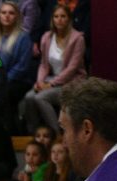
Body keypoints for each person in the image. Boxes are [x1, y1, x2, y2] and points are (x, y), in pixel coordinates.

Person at [23, 4, 86, 134]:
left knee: (41, 98)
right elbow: (44, 64)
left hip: (72, 82)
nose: (59, 20)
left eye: (63, 16)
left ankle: (57, 133)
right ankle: (34, 134)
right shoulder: (46, 37)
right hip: (51, 79)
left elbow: (72, 68)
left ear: (69, 19)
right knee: (29, 97)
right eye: (56, 16)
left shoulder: (78, 38)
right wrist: (40, 82)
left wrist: (51, 84)